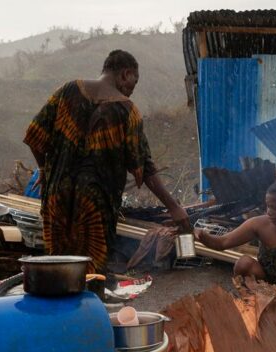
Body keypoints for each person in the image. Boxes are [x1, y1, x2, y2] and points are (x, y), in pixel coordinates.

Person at [23, 49, 189, 273]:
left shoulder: (67, 90)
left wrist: (44, 170)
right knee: (91, 273)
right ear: (125, 74)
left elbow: (34, 135)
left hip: (57, 203)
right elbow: (146, 168)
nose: (132, 91)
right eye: (134, 82)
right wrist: (174, 207)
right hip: (95, 211)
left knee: (57, 269)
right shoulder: (127, 111)